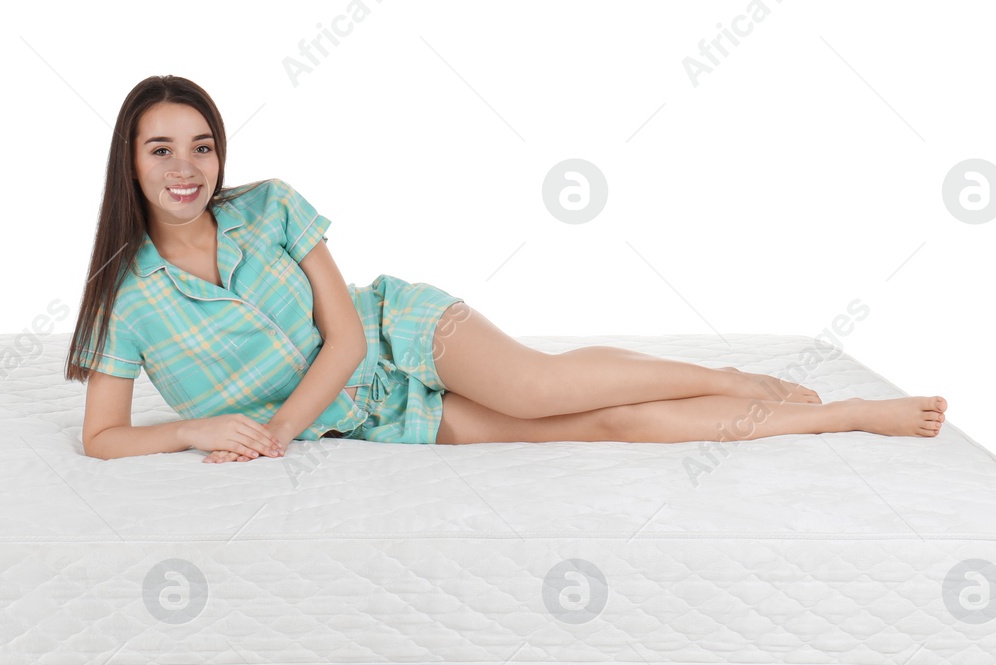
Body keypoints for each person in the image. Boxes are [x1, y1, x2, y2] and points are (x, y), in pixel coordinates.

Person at [66, 76, 947, 462]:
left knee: (538, 385)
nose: (188, 168)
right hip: (376, 418)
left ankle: (738, 380)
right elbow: (101, 437)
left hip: (393, 333)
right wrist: (194, 430)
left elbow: (340, 337)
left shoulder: (271, 208)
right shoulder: (128, 294)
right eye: (162, 150)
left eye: (202, 146)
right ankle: (845, 417)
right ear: (130, 163)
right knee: (611, 429)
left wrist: (276, 431)